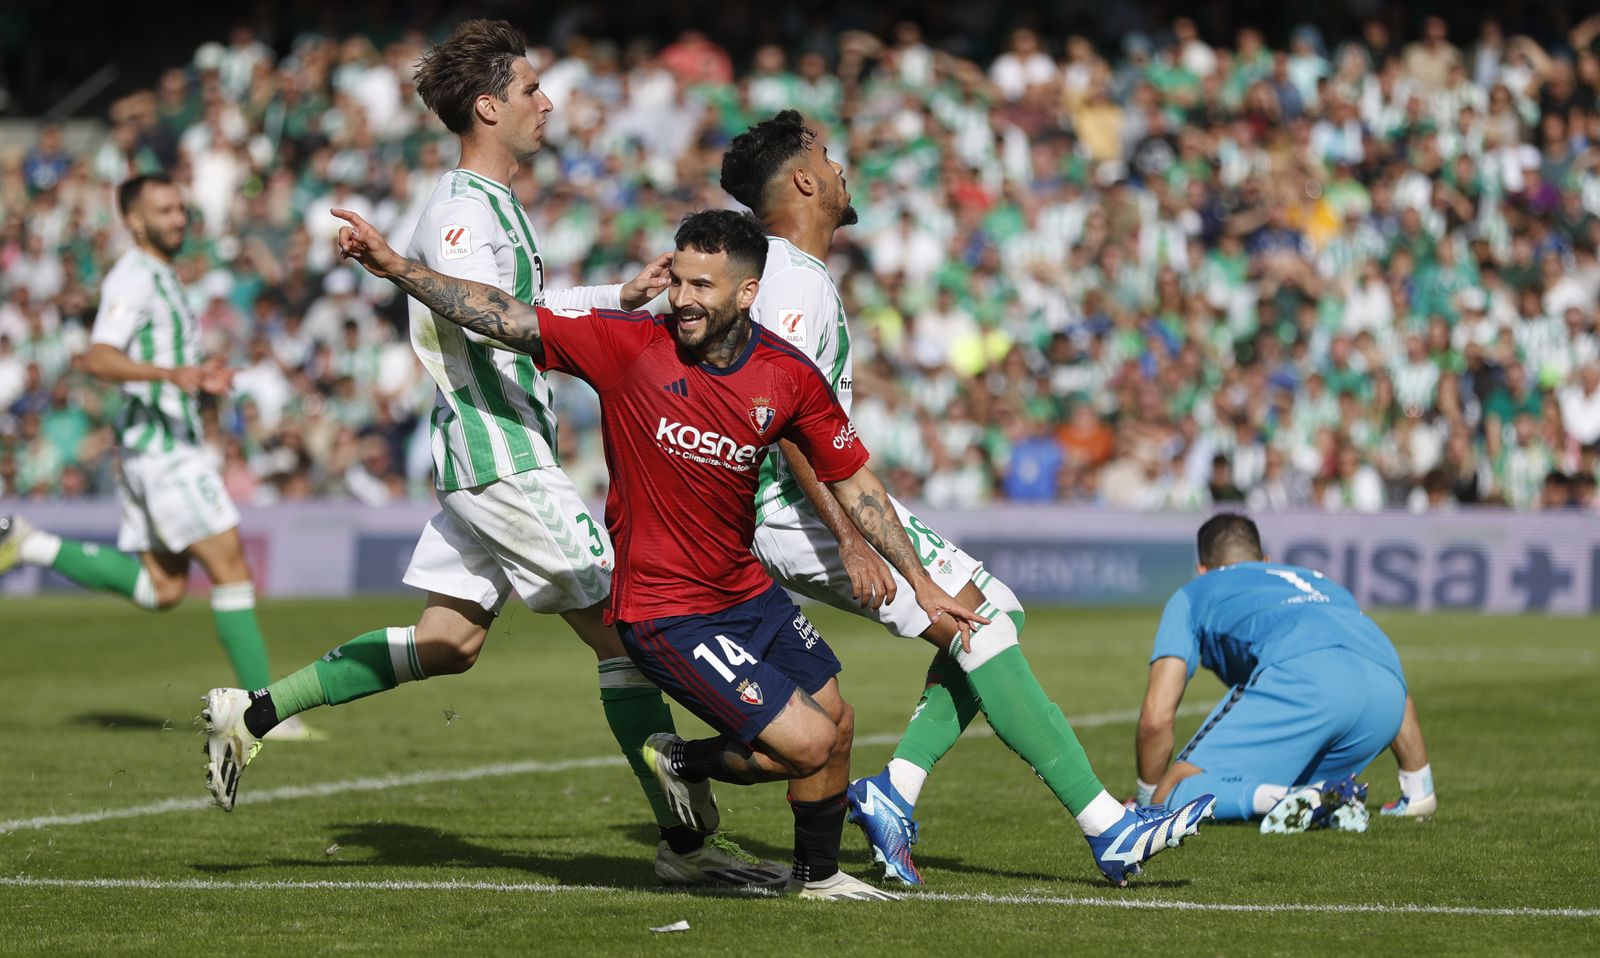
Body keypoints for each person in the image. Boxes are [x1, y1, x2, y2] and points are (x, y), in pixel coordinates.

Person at [197, 20, 781, 889]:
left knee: (449, 643)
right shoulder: (465, 210)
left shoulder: (489, 202)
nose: (548, 102)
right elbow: (475, 306)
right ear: (489, 105)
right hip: (499, 452)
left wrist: (617, 299)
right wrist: (403, 270)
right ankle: (687, 843)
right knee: (629, 628)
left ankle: (253, 711)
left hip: (487, 450)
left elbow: (521, 308)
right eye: (532, 89)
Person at [331, 206, 987, 898]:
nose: (683, 299)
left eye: (703, 286)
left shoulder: (787, 375)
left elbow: (853, 481)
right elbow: (507, 317)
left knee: (840, 723)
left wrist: (918, 579)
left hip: (746, 593)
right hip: (664, 610)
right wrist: (399, 269)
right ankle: (683, 760)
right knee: (810, 745)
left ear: (746, 294)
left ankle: (816, 878)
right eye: (679, 280)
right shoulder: (630, 347)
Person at [719, 110, 1215, 885]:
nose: (844, 168)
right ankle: (1107, 827)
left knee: (991, 615)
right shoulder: (789, 278)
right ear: (806, 181)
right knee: (983, 624)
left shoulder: (793, 273)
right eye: (829, 157)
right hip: (800, 510)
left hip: (806, 509)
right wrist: (850, 537)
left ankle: (896, 790)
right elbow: (775, 412)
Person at [0, 174, 311, 740]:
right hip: (165, 452)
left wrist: (195, 380)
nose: (178, 218)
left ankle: (31, 543)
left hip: (153, 448)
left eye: (180, 208)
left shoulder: (160, 274)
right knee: (231, 568)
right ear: (135, 221)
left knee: (163, 590)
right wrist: (172, 374)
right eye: (164, 210)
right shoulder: (134, 276)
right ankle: (265, 713)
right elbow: (97, 357)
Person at [1135, 512, 1438, 832]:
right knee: (1262, 774)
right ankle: (1396, 796)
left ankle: (1283, 799)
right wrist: (1419, 788)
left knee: (1172, 793)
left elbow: (1156, 719)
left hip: (1307, 680)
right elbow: (1389, 679)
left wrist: (1147, 800)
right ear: (1266, 559)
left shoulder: (1194, 592)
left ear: (1202, 570)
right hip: (1386, 697)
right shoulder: (1322, 582)